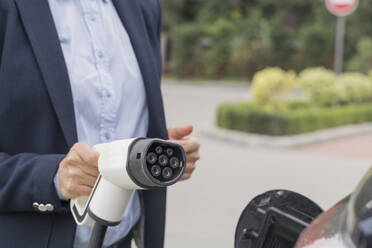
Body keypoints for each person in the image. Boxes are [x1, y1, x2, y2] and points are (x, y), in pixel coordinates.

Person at [0, 0, 200, 247]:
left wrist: (154, 153)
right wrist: (51, 177)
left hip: (119, 240)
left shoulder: (145, 6)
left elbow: (114, 120)